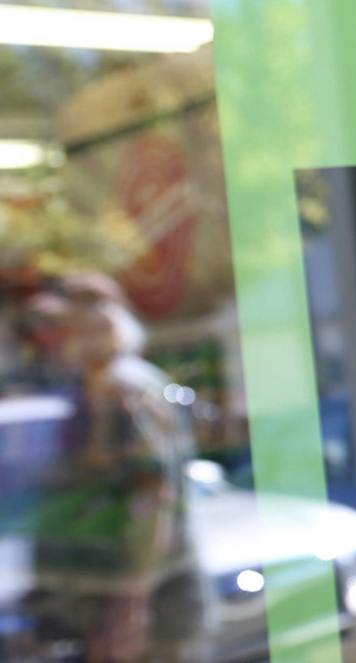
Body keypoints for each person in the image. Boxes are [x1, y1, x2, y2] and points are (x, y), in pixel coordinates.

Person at [27, 274, 209, 662]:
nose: (47, 342)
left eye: (60, 329)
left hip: (143, 614)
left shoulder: (123, 389)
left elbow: (152, 497)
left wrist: (130, 603)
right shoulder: (99, 387)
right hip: (117, 608)